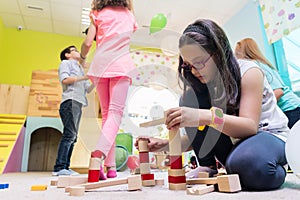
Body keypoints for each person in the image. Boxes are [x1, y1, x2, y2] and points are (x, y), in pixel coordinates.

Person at [135, 19, 289, 191]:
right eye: (189, 65)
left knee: (248, 165)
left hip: (268, 135)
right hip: (238, 146)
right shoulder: (203, 85)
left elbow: (250, 127)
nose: (194, 71)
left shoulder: (249, 72)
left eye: (199, 62)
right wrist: (163, 144)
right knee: (188, 98)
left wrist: (205, 116)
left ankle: (280, 163)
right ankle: (208, 166)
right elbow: (200, 138)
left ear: (219, 52)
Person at [80, 0, 138, 179]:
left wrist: (82, 58)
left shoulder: (97, 13)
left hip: (100, 65)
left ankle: (110, 167)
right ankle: (98, 155)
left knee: (107, 115)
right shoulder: (129, 15)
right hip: (121, 65)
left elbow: (89, 42)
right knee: (114, 114)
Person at [235, 38, 300, 129]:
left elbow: (278, 91)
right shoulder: (262, 64)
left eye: (237, 53)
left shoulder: (254, 66)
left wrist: (256, 108)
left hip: (290, 109)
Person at [53, 45, 94, 176]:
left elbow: (88, 89)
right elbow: (65, 80)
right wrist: (86, 77)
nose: (77, 52)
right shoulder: (66, 63)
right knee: (69, 135)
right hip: (70, 101)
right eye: (74, 50)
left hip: (78, 102)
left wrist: (97, 80)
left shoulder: (80, 69)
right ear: (67, 54)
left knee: (73, 137)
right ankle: (59, 168)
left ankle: (65, 166)